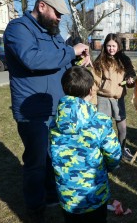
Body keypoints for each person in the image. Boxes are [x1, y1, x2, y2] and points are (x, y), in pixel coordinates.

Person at [4, 0, 91, 222]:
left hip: (55, 107)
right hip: (32, 112)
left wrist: (76, 58)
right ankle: (35, 209)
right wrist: (69, 51)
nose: (60, 19)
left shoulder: (52, 33)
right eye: (57, 13)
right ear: (42, 6)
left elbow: (60, 58)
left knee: (54, 156)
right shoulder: (18, 29)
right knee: (36, 161)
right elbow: (32, 59)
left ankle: (52, 195)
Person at [49, 66, 121, 223]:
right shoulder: (100, 122)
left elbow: (51, 152)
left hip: (67, 195)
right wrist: (109, 167)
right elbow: (114, 154)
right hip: (94, 194)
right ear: (91, 90)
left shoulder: (54, 122)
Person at [92, 33, 136, 161]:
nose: (111, 48)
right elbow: (94, 82)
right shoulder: (100, 61)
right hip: (102, 99)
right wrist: (93, 101)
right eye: (108, 46)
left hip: (118, 99)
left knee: (122, 127)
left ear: (118, 46)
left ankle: (122, 149)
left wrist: (130, 80)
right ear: (105, 46)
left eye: (114, 46)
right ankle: (105, 152)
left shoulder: (124, 60)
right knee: (103, 128)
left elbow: (131, 74)